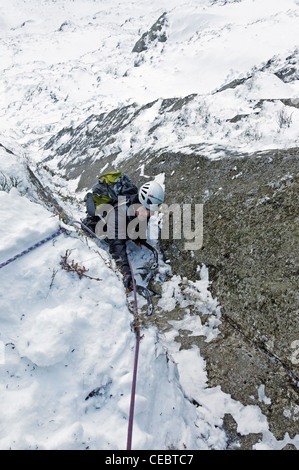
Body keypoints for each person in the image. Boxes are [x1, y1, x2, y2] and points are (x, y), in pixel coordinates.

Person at [83, 179, 165, 291]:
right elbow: (116, 245)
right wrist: (126, 271)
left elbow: (141, 223)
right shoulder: (119, 213)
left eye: (152, 210)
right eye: (147, 210)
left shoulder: (143, 208)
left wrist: (139, 238)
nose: (149, 214)